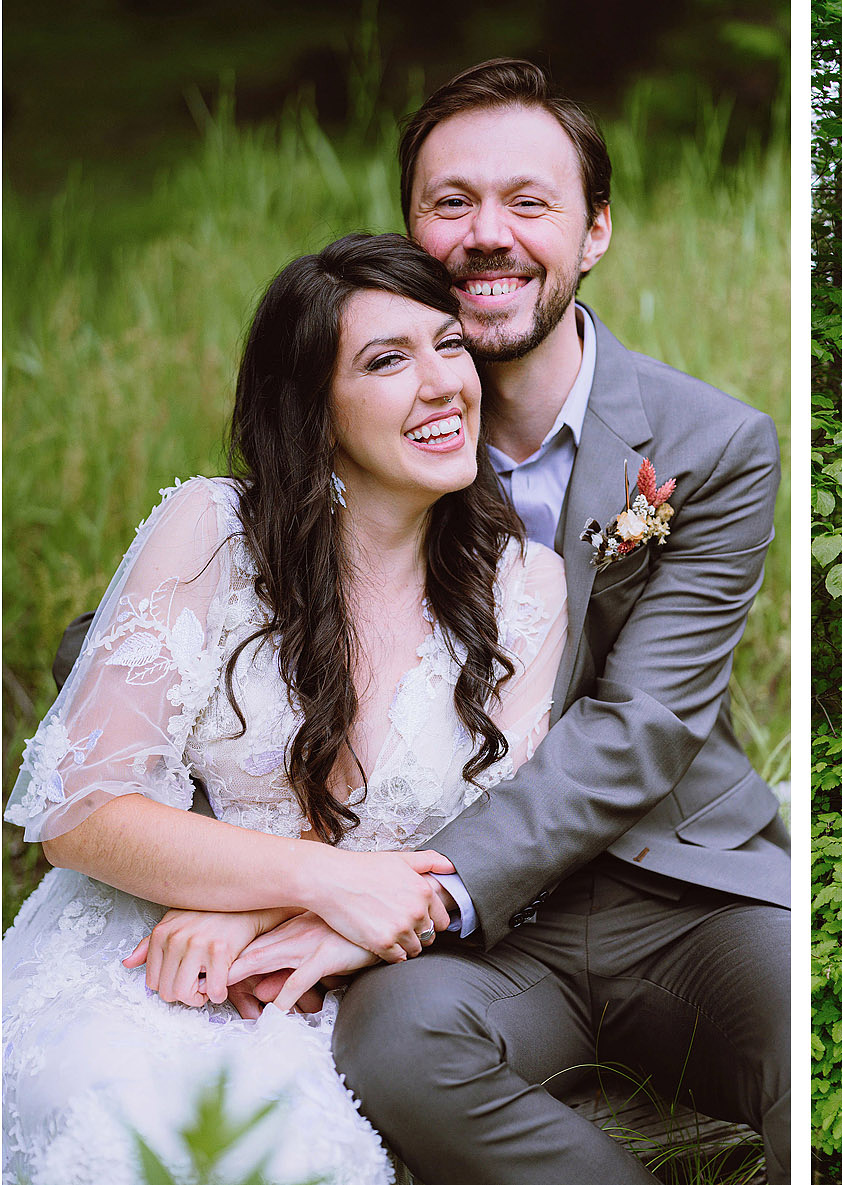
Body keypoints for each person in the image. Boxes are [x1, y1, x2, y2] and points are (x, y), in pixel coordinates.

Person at [117, 60, 789, 1185]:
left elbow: (643, 722)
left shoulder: (710, 446)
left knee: (796, 1009)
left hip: (664, 885)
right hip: (448, 929)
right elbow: (173, 641)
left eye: (530, 203)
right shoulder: (347, 418)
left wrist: (387, 892)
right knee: (398, 1050)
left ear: (595, 232)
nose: (488, 235)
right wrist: (262, 877)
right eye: (450, 203)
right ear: (411, 233)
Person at [3, 232, 569, 1183]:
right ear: (313, 408)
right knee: (121, 1110)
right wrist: (310, 880)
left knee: (294, 1150)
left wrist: (283, 917)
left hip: (335, 984)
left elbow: (498, 844)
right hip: (146, 948)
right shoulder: (209, 531)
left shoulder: (526, 590)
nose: (443, 384)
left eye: (451, 345)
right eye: (388, 360)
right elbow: (79, 812)